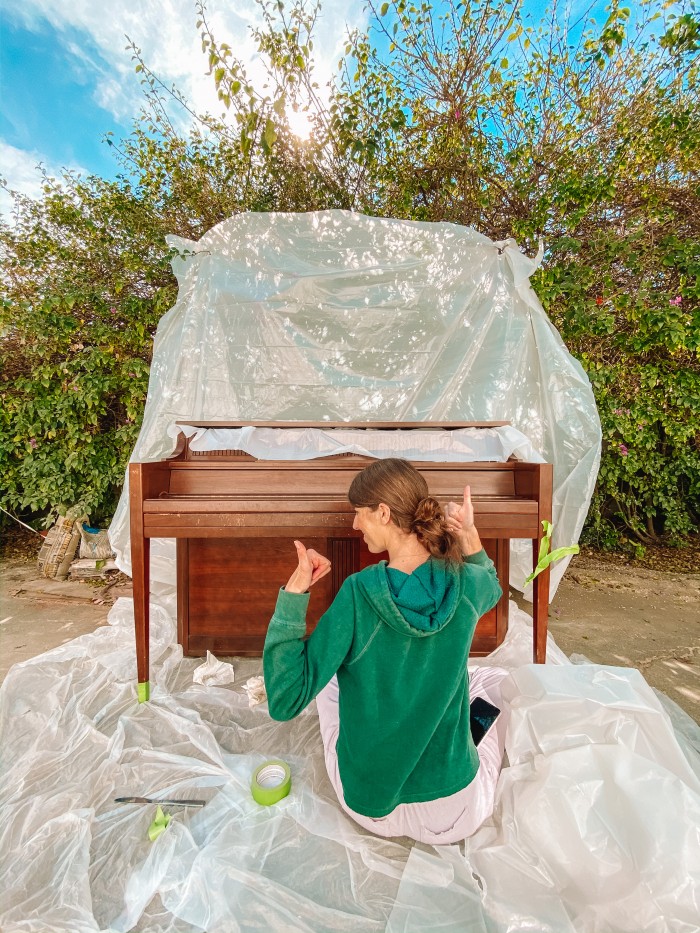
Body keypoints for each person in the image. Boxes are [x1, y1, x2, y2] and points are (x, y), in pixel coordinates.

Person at [263, 457, 509, 843]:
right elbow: (491, 585)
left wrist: (294, 593)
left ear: (382, 511)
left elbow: (286, 699)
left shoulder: (359, 594)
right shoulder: (465, 581)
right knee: (492, 681)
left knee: (327, 683)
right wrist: (470, 534)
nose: (354, 524)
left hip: (371, 807)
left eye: (359, 513)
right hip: (455, 813)